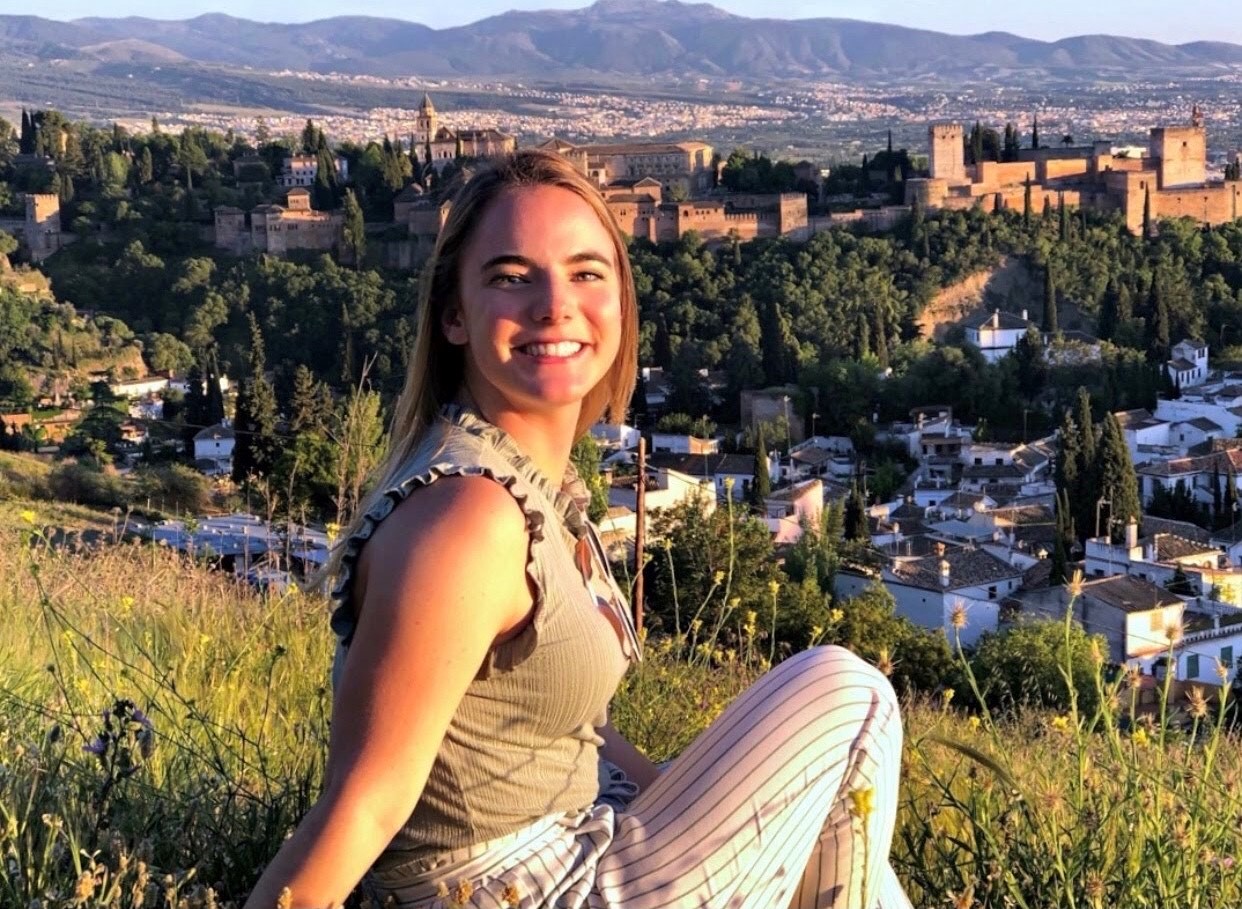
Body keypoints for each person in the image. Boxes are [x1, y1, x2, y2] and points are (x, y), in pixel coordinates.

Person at [244, 150, 911, 909]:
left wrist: (707, 820)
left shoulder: (537, 488)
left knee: (816, 807)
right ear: (454, 315)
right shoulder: (469, 519)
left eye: (586, 272)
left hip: (578, 848)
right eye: (511, 277)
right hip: (516, 890)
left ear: (621, 301)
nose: (554, 305)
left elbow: (575, 732)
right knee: (848, 693)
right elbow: (364, 802)